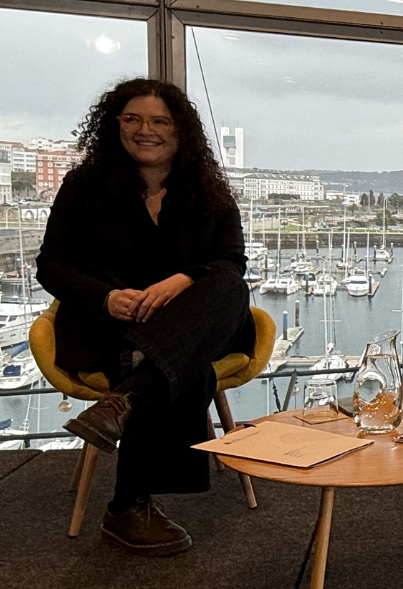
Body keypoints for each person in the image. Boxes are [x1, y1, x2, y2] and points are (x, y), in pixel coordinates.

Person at [39, 78, 253, 556]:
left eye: (160, 121)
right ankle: (126, 507)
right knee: (169, 362)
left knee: (228, 287)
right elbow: (51, 265)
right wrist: (107, 297)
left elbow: (232, 263)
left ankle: (124, 404)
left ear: (180, 132)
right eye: (132, 119)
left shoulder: (208, 192)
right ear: (115, 126)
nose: (145, 130)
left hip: (194, 320)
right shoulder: (84, 187)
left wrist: (185, 279)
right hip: (113, 323)